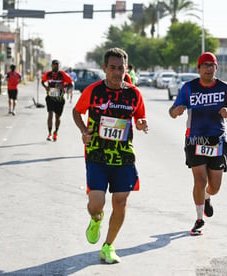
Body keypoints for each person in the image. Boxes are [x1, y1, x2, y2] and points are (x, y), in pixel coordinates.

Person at [72, 47, 148, 264]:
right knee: (96, 204)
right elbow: (77, 112)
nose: (117, 72)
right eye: (112, 68)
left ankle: (108, 246)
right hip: (97, 155)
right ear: (105, 68)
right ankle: (96, 218)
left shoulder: (133, 93)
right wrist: (83, 131)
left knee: (121, 201)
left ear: (126, 69)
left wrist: (142, 124)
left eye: (121, 68)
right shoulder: (94, 91)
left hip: (123, 156)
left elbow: (140, 117)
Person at [168, 52, 227, 236]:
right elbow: (172, 111)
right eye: (205, 65)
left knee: (214, 186)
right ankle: (199, 219)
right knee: (199, 180)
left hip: (217, 140)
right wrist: (176, 111)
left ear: (216, 68)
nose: (208, 68)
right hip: (195, 139)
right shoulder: (188, 88)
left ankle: (207, 197)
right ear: (199, 68)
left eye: (211, 65)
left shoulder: (224, 88)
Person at [41, 60, 73, 141]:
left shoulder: (62, 74)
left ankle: (56, 132)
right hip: (50, 97)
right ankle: (49, 133)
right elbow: (42, 81)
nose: (56, 67)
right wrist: (46, 87)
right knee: (50, 114)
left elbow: (71, 83)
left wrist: (63, 85)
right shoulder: (48, 74)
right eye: (54, 65)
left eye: (57, 65)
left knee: (57, 117)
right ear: (51, 66)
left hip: (60, 98)